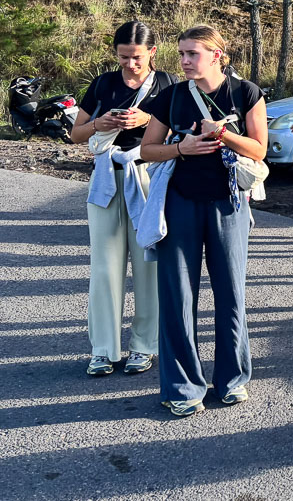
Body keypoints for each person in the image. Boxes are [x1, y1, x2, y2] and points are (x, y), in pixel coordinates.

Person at [140, 25, 267, 417]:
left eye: (192, 53)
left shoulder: (246, 93)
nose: (184, 61)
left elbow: (260, 150)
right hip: (178, 202)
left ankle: (232, 380)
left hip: (229, 204)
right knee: (177, 295)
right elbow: (147, 151)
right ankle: (183, 386)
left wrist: (224, 136)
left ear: (217, 55)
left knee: (231, 293)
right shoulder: (171, 96)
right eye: (181, 54)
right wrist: (182, 147)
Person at [70, 21, 176, 377]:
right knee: (104, 267)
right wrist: (99, 124)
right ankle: (103, 349)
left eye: (136, 57)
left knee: (149, 264)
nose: (130, 64)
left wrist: (148, 118)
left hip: (148, 176)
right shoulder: (103, 83)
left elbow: (181, 131)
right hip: (106, 179)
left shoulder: (167, 85)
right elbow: (75, 133)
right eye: (123, 57)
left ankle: (143, 346)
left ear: (152, 53)